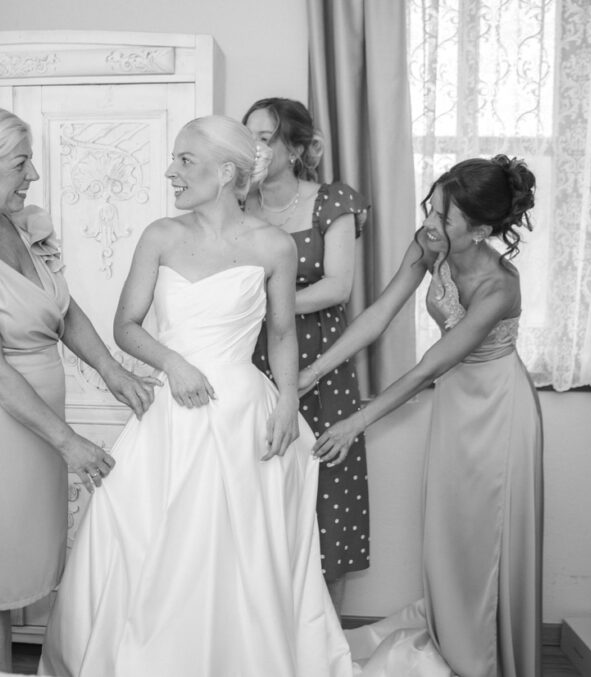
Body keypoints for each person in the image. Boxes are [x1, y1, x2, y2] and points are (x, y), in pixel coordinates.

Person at [38, 115, 353, 677]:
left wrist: (287, 401)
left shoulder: (274, 246)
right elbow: (126, 325)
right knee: (144, 533)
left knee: (238, 547)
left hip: (243, 414)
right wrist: (172, 362)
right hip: (172, 411)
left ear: (226, 172)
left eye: (184, 160)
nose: (171, 171)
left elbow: (281, 332)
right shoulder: (160, 236)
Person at [0, 103, 159, 672]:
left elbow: (63, 308)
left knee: (24, 559)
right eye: (21, 164)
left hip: (39, 422)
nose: (32, 175)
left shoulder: (21, 224)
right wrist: (68, 441)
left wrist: (111, 369)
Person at [301, 155, 543, 677]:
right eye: (430, 208)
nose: (430, 224)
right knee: (448, 529)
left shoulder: (500, 286)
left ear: (480, 231)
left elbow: (429, 367)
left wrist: (355, 422)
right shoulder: (431, 243)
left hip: (499, 409)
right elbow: (379, 314)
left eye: (444, 218)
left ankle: (481, 658)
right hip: (456, 402)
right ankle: (455, 633)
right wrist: (314, 370)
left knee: (486, 535)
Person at [242, 97, 371, 612]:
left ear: (295, 149)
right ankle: (260, 631)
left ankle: (324, 637)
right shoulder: (237, 204)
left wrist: (268, 301)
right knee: (258, 484)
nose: (254, 148)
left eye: (265, 138)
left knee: (327, 491)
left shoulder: (332, 201)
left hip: (321, 361)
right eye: (247, 136)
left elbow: (338, 287)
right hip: (252, 358)